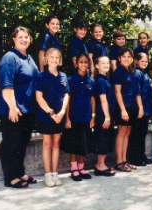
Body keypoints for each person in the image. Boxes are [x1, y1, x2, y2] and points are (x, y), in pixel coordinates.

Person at [0, 27, 39, 189]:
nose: (24, 39)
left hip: (28, 109)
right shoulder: (9, 58)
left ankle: (20, 172)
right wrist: (13, 107)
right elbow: (6, 86)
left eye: (27, 37)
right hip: (12, 109)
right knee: (11, 143)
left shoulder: (29, 58)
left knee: (21, 143)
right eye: (20, 37)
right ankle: (10, 177)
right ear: (13, 39)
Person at [35, 48, 70, 187]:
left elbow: (66, 95)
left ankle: (55, 174)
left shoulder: (63, 76)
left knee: (56, 144)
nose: (54, 59)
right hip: (46, 116)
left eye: (57, 57)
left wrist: (61, 113)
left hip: (59, 116)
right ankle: (47, 174)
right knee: (47, 144)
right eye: (52, 57)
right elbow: (39, 97)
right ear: (47, 59)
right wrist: (51, 112)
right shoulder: (41, 76)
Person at [61, 54, 95, 182]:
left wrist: (93, 117)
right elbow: (68, 99)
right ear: (77, 63)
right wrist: (67, 118)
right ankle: (74, 168)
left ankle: (81, 168)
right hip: (74, 118)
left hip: (86, 118)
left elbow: (92, 99)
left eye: (86, 62)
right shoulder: (71, 79)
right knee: (74, 144)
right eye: (81, 62)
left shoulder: (91, 81)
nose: (83, 64)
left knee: (83, 145)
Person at [113, 48, 143, 172]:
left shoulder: (130, 72)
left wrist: (139, 107)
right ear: (119, 58)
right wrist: (123, 110)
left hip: (131, 106)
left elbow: (136, 92)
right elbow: (117, 91)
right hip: (122, 107)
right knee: (121, 132)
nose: (126, 59)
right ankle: (119, 161)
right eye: (124, 56)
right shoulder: (118, 72)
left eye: (129, 57)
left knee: (127, 133)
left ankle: (124, 160)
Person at [93, 56, 116, 177]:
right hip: (103, 115)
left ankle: (102, 164)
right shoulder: (100, 80)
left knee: (106, 138)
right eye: (103, 63)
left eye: (107, 63)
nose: (106, 65)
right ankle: (100, 165)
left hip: (107, 114)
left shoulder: (105, 79)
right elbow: (103, 99)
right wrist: (107, 117)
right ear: (97, 66)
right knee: (102, 139)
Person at [128, 53, 152, 166]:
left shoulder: (144, 73)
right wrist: (140, 108)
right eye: (142, 61)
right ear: (136, 61)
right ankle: (135, 158)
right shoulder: (137, 73)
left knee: (142, 133)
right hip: (139, 108)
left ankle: (142, 154)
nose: (145, 63)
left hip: (146, 108)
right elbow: (137, 92)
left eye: (146, 61)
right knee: (137, 134)